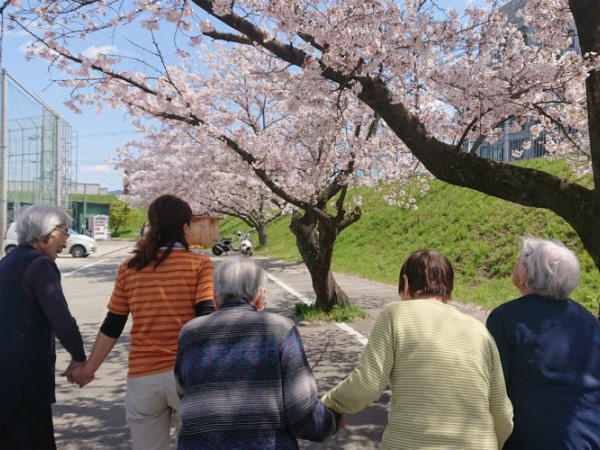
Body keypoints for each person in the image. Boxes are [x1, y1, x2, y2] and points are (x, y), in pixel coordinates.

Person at [321, 250, 513, 449]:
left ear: (405, 284)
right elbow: (502, 413)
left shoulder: (395, 315)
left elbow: (366, 385)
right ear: (451, 288)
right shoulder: (479, 331)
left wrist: (331, 403)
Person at [69, 195, 215, 450]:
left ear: (151, 226)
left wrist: (89, 369)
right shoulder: (200, 264)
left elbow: (112, 324)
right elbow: (206, 316)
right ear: (185, 227)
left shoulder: (130, 267)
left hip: (143, 377)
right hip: (188, 374)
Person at [175, 258, 341, 449]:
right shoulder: (280, 330)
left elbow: (183, 391)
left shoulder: (189, 333)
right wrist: (331, 420)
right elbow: (302, 412)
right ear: (260, 297)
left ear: (214, 300)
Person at [486, 237, 600, 449]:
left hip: (530, 439)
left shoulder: (506, 318)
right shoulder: (588, 320)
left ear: (525, 272)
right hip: (588, 437)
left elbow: (494, 390)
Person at [0, 204, 87, 449]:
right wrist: (79, 358)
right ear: (43, 234)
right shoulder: (40, 265)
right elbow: (61, 319)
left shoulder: (8, 262)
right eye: (63, 231)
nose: (66, 238)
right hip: (24, 380)